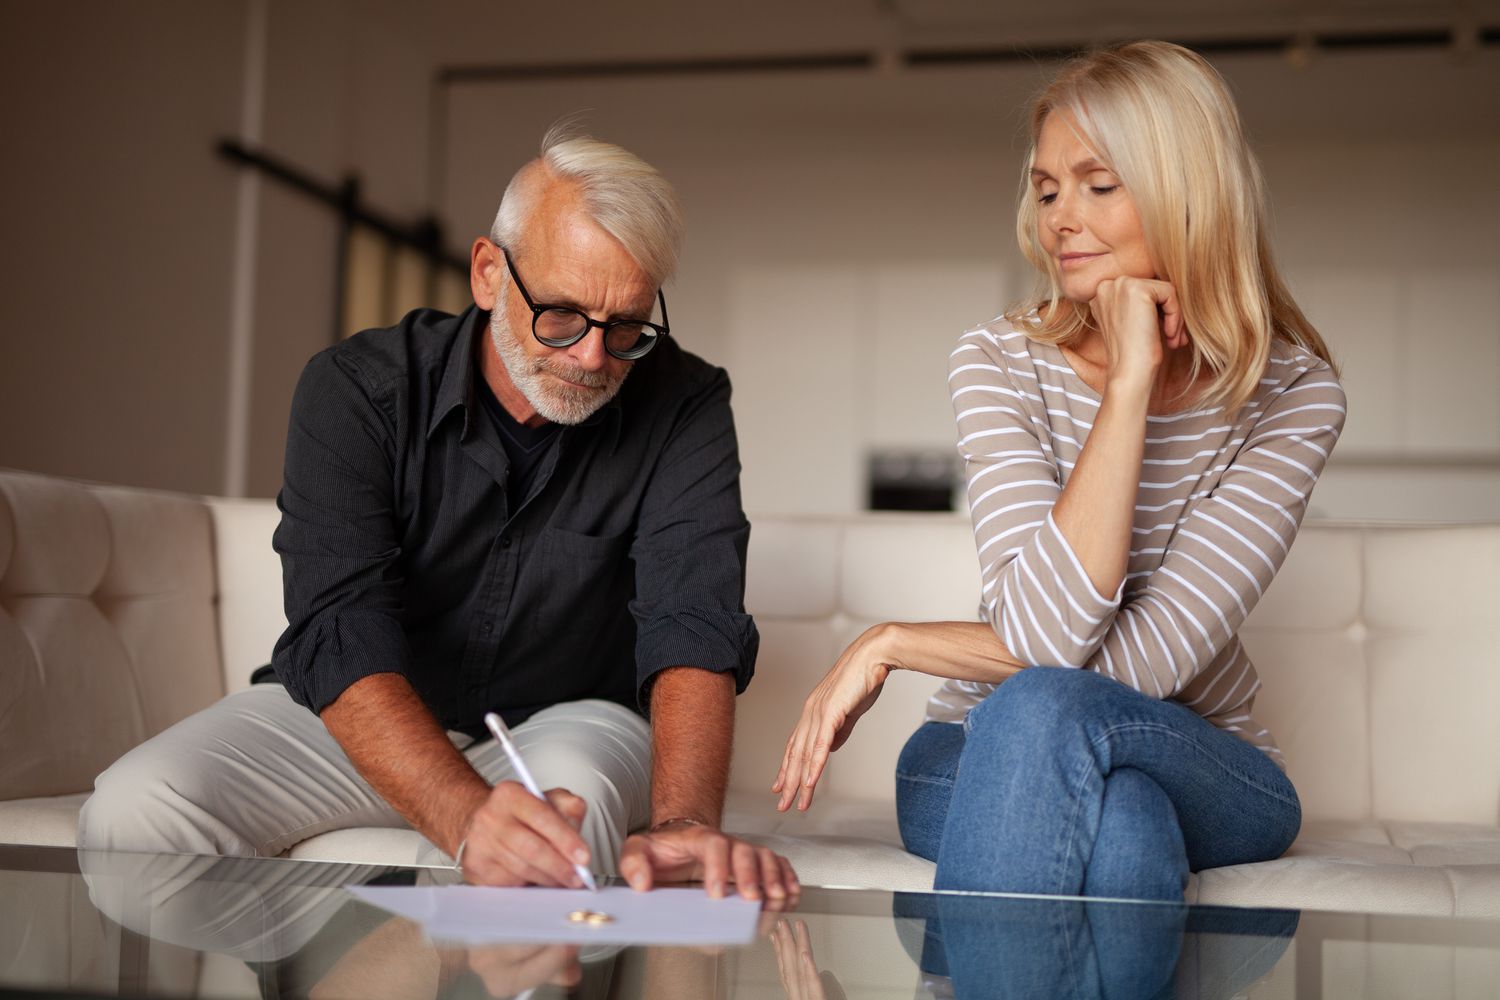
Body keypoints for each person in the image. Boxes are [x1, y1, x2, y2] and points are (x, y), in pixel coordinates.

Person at [79, 124, 796, 902]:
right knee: (133, 814)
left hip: (569, 720)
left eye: (625, 327)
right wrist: (461, 814)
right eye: (561, 315)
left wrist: (685, 826)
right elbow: (338, 627)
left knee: (554, 855)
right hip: (361, 720)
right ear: (489, 273)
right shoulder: (356, 389)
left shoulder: (683, 403)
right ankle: (336, 958)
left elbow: (692, 621)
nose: (593, 359)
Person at [775, 41, 1345, 900]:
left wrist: (896, 643)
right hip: (974, 746)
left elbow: (1124, 668)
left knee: (1049, 710)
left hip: (1198, 753)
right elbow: (1047, 638)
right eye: (1046, 190)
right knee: (1116, 828)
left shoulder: (1294, 395)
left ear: (1188, 192)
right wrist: (1129, 384)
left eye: (1098, 184)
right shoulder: (998, 360)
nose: (1058, 220)